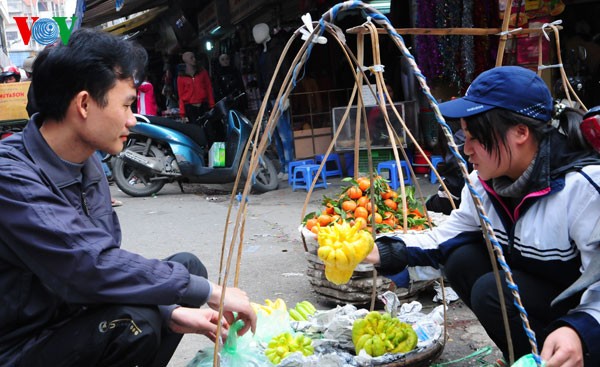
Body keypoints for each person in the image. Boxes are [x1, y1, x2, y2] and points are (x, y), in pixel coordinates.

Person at [0, 28, 256, 366]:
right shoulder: (10, 175)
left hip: (70, 316)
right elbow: (89, 265)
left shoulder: (87, 164)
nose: (133, 119)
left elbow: (106, 264)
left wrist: (172, 312)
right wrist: (210, 292)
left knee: (186, 268)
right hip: (19, 345)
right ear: (84, 104)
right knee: (135, 320)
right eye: (126, 105)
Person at [365, 66, 600, 367]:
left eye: (477, 138)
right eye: (465, 137)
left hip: (587, 313)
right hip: (543, 291)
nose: (466, 149)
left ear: (520, 132)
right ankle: (528, 358)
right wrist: (379, 251)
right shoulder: (483, 185)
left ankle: (569, 353)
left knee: (494, 289)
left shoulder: (582, 188)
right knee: (461, 259)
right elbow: (445, 238)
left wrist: (580, 330)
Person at [253, 23, 295, 180]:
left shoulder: (277, 48)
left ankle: (289, 166)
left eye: (258, 31)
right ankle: (283, 165)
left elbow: (285, 71)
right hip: (268, 97)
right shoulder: (260, 52)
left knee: (284, 133)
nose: (255, 35)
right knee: (275, 135)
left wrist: (286, 94)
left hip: (279, 95)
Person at [177, 51, 215, 124]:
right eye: (191, 58)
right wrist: (182, 114)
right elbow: (180, 95)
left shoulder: (202, 72)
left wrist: (212, 105)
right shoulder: (181, 77)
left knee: (208, 127)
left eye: (194, 57)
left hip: (203, 105)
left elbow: (209, 88)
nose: (194, 59)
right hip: (190, 107)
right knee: (195, 130)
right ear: (186, 60)